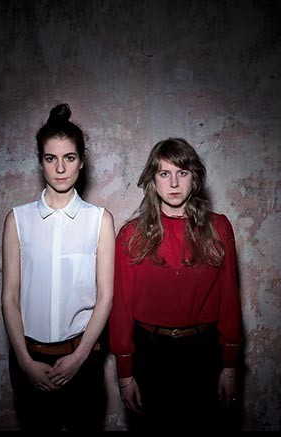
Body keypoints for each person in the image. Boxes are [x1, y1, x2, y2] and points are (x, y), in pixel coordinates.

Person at [109, 138, 242, 431]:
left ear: (194, 178)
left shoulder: (219, 227)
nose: (173, 183)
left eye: (182, 172)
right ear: (152, 180)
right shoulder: (130, 235)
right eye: (164, 173)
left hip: (203, 352)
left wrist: (230, 366)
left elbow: (230, 299)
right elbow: (121, 307)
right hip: (150, 354)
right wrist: (125, 373)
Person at [1, 103, 115, 431]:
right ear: (40, 162)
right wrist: (25, 362)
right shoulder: (17, 220)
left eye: (69, 157)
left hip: (83, 360)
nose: (61, 168)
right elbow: (10, 297)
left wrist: (79, 359)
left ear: (81, 162)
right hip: (30, 361)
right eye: (51, 158)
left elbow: (106, 297)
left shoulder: (99, 220)